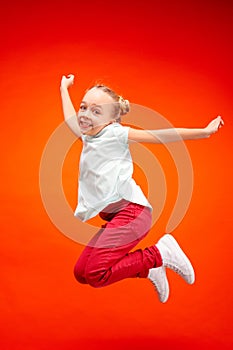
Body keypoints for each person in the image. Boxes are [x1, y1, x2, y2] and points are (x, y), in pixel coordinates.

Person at [60, 74, 224, 303]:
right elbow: (70, 120)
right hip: (117, 216)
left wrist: (203, 132)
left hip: (133, 214)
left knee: (96, 274)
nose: (85, 115)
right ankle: (150, 269)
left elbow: (160, 136)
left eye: (96, 111)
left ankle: (160, 253)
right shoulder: (89, 136)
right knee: (82, 273)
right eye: (83, 107)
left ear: (110, 120)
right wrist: (63, 88)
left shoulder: (115, 134)